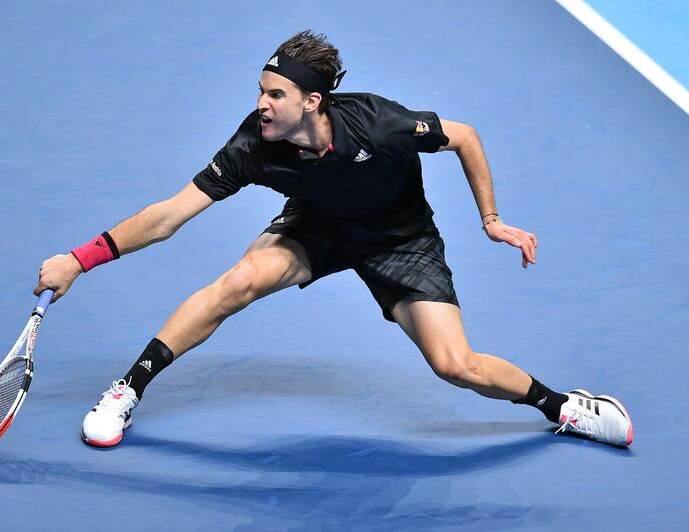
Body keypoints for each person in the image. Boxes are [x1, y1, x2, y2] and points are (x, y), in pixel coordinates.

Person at [35, 30, 633, 448]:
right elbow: (169, 215)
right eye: (260, 91)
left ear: (312, 101)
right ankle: (127, 389)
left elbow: (466, 136)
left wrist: (490, 220)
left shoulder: (380, 121)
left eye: (275, 95)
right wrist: (78, 260)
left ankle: (561, 406)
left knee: (457, 366)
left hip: (400, 239)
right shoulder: (254, 145)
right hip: (316, 227)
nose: (260, 105)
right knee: (238, 282)